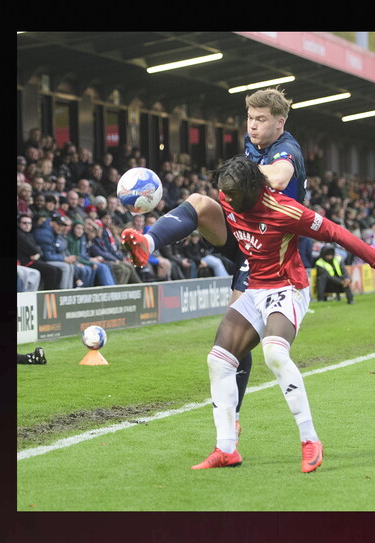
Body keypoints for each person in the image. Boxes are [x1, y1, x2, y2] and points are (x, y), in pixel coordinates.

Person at [189, 156, 375, 472]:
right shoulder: (230, 194)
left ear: (254, 188)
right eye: (228, 195)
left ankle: (310, 441)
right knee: (219, 359)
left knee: (275, 353)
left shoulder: (286, 211)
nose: (231, 202)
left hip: (287, 287)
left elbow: (336, 233)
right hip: (254, 288)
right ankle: (226, 448)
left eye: (237, 196)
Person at [121, 87, 308, 437]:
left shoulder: (287, 149)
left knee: (238, 338)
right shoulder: (255, 142)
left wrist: (243, 179)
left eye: (261, 120)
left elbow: (281, 176)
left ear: (280, 122)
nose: (252, 126)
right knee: (200, 203)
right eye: (250, 118)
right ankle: (147, 242)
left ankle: (233, 417)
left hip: (267, 250)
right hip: (241, 232)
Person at [33, 213, 88, 290]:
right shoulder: (45, 233)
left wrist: (66, 258)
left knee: (70, 266)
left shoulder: (52, 231)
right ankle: (62, 292)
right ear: (51, 223)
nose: (61, 227)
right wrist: (64, 259)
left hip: (49, 258)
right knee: (65, 266)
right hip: (42, 260)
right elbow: (47, 256)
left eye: (62, 225)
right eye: (59, 225)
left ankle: (68, 291)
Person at [85, 219, 141, 284]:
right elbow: (100, 253)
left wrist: (118, 259)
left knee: (128, 266)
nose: (99, 232)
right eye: (93, 231)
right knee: (122, 269)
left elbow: (108, 251)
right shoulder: (93, 241)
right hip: (104, 260)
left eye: (100, 229)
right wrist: (115, 259)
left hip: (108, 259)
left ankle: (137, 284)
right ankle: (118, 289)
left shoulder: (99, 240)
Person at [17, 215, 62, 290]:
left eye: (29, 223)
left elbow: (38, 249)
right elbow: (32, 249)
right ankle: (47, 296)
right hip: (25, 262)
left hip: (33, 259)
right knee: (52, 271)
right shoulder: (19, 234)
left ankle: (54, 295)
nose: (27, 225)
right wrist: (37, 252)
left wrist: (38, 254)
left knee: (58, 270)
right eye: (24, 223)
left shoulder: (28, 234)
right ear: (19, 224)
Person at [67, 221, 116, 286]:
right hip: (77, 261)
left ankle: (111, 286)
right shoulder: (75, 239)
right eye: (78, 228)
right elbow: (78, 256)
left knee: (104, 266)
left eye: (94, 232)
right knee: (94, 268)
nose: (80, 231)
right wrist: (90, 261)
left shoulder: (80, 239)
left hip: (83, 260)